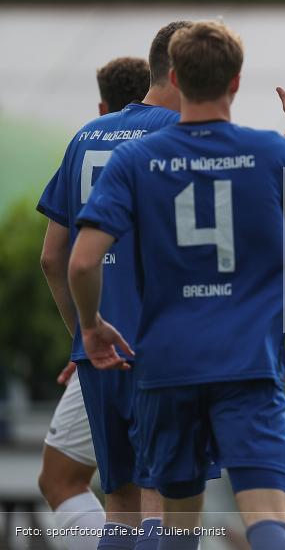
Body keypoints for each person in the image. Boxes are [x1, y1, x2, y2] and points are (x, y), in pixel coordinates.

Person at [68, 21, 285, 550]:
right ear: (235, 82)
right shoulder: (274, 153)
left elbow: (79, 263)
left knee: (169, 523)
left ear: (171, 75)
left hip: (164, 363)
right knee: (266, 518)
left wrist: (92, 327)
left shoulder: (134, 159)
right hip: (247, 362)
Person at [37, 54, 151, 550]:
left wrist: (83, 336)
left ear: (103, 104)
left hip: (98, 339)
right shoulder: (178, 135)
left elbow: (52, 258)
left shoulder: (87, 137)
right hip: (164, 340)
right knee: (163, 497)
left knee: (94, 491)